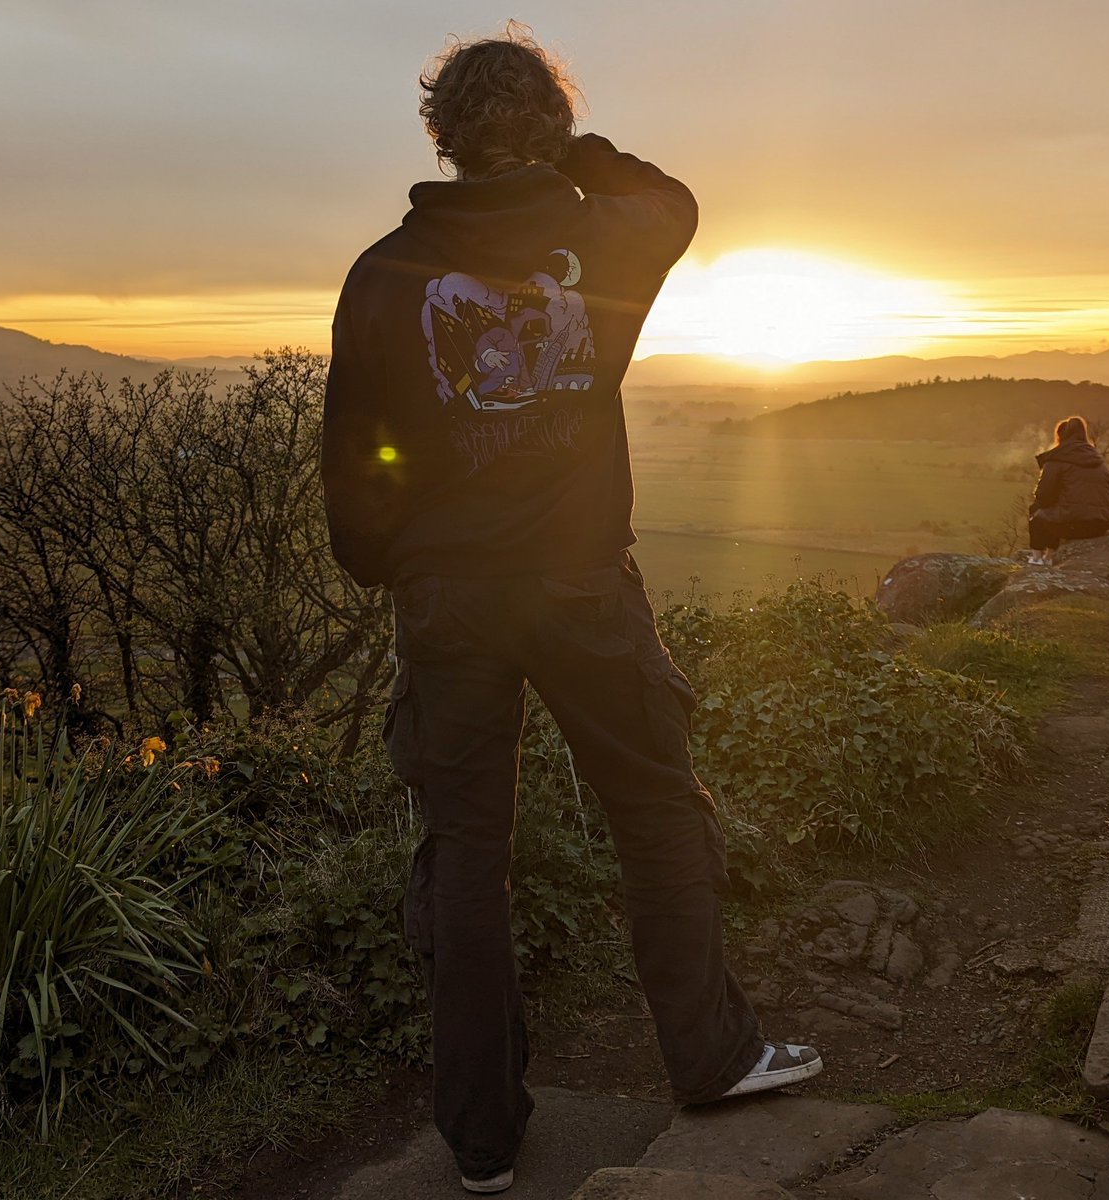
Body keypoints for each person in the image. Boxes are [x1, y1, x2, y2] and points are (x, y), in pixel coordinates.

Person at [320, 26, 821, 1196]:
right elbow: (673, 200)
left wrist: (388, 567)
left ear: (439, 138)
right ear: (545, 126)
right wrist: (569, 147)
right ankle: (710, 1056)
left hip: (447, 600)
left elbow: (355, 457)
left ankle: (482, 1143)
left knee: (465, 856)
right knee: (651, 810)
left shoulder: (383, 270)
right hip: (584, 583)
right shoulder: (603, 239)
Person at [1027, 415, 1109, 566]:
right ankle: (1049, 556)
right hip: (1100, 525)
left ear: (1060, 437)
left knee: (1037, 511)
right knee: (1056, 512)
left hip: (1074, 525)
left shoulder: (1056, 459)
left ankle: (1038, 559)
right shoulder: (1099, 461)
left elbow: (1043, 496)